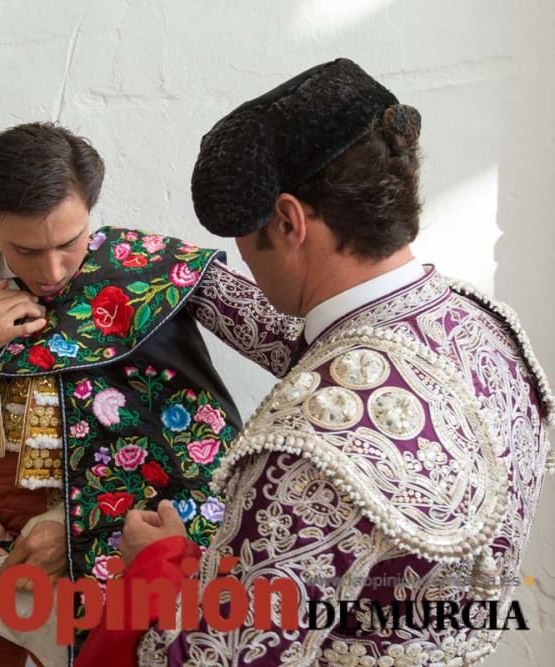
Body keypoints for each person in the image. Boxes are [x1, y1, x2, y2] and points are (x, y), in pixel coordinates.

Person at [77, 58, 554, 666]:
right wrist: (174, 271)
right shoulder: (483, 329)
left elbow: (213, 658)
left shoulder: (313, 441)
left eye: (246, 242)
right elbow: (323, 353)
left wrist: (160, 564)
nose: (246, 262)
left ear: (288, 221)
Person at [0, 122, 307, 665]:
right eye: (26, 250)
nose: (54, 270)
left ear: (90, 209)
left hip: (119, 566)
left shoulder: (154, 270)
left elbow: (304, 349)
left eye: (69, 242)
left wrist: (81, 533)